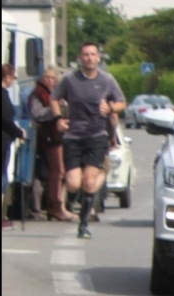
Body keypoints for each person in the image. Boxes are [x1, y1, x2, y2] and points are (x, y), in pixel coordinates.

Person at [51, 42, 127, 239]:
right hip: (74, 137)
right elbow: (54, 98)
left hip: (96, 136)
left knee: (89, 181)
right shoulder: (69, 80)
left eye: (93, 55)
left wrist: (110, 108)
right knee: (73, 184)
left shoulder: (107, 80)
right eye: (85, 55)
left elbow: (122, 102)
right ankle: (74, 199)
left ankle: (83, 224)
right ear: (80, 58)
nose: (89, 58)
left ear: (99, 58)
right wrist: (59, 118)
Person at [27, 67, 74, 221]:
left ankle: (59, 205)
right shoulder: (38, 93)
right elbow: (37, 114)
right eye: (46, 77)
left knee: (62, 171)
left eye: (52, 78)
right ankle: (54, 206)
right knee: (57, 171)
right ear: (42, 79)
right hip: (48, 138)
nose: (49, 80)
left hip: (60, 136)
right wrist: (55, 110)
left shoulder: (56, 93)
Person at [1, 64, 27, 229]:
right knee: (2, 179)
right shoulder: (3, 95)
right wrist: (19, 132)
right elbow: (5, 119)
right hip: (3, 140)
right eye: (13, 77)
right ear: (8, 77)